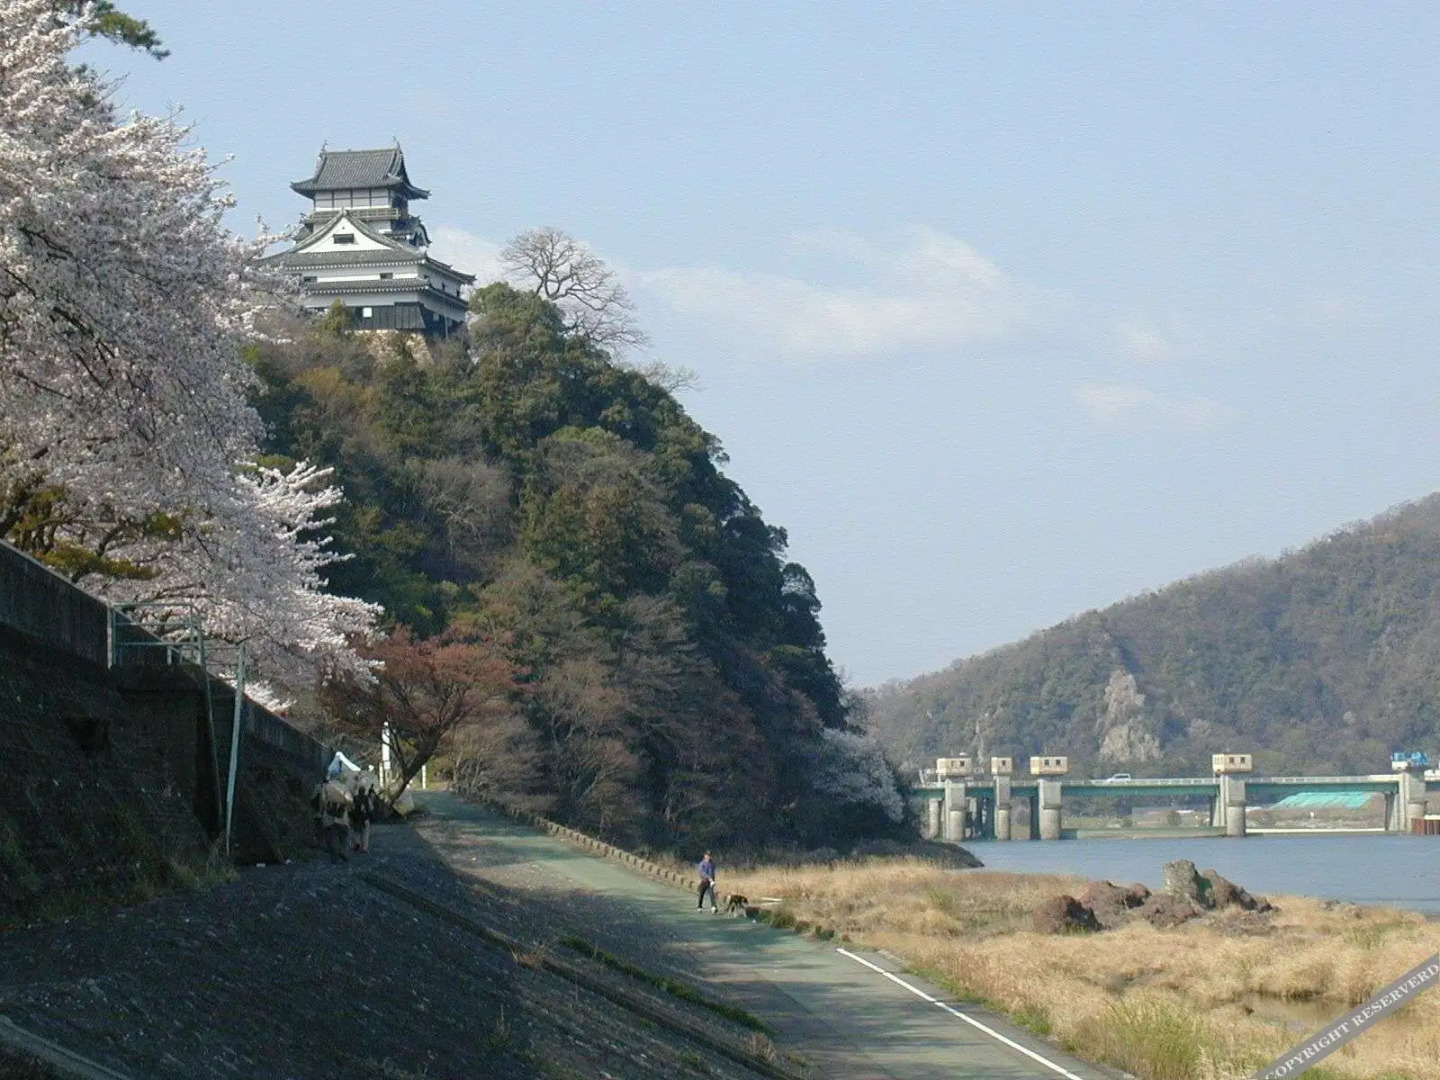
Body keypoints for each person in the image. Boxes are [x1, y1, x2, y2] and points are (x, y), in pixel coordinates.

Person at [310, 775, 352, 863]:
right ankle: (344, 851)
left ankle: (334, 856)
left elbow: (323, 800)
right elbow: (350, 800)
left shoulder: (326, 787)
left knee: (331, 836)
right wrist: (346, 807)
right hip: (342, 815)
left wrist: (325, 809)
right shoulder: (344, 787)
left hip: (329, 816)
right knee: (344, 835)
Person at [349, 782, 375, 854]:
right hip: (365, 818)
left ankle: (357, 843)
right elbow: (371, 808)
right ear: (364, 791)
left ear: (358, 791)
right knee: (365, 833)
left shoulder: (355, 798)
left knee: (356, 832)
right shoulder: (367, 798)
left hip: (356, 818)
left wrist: (351, 817)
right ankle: (364, 848)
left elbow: (351, 808)